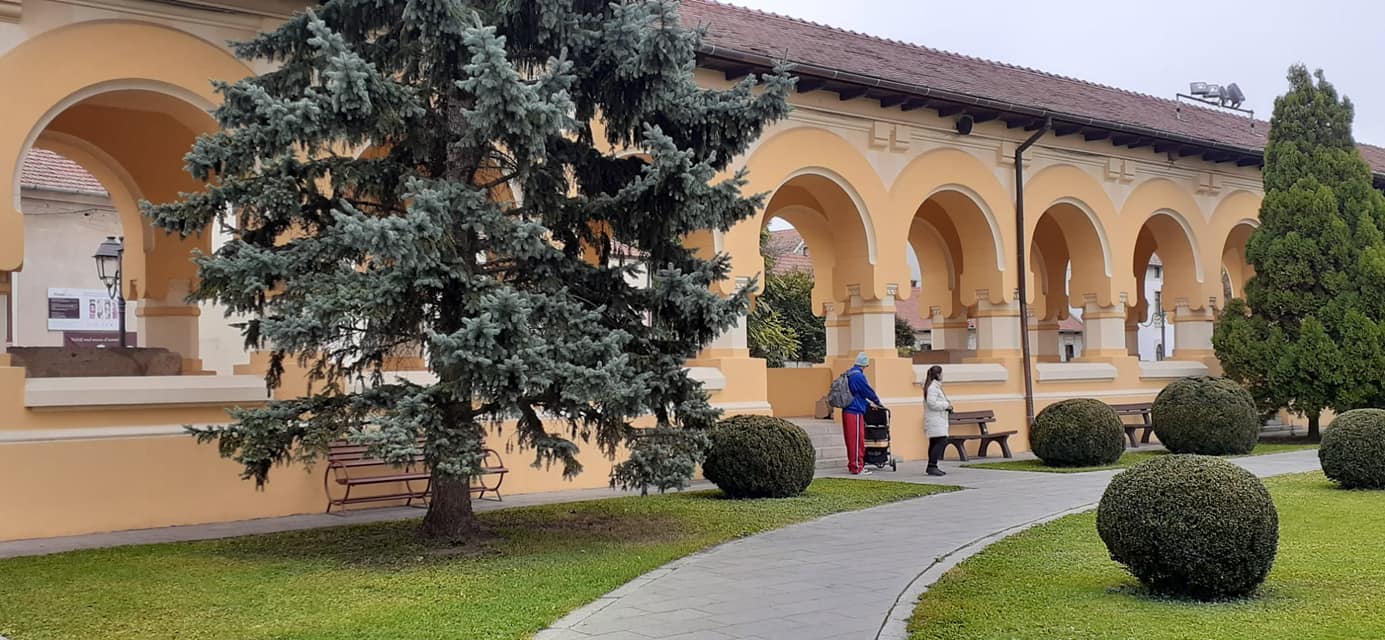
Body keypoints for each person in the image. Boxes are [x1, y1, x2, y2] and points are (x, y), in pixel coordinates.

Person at [842, 352, 884, 476]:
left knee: (851, 440)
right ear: (865, 365)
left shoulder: (849, 373)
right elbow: (867, 391)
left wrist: (867, 404)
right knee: (857, 440)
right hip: (854, 411)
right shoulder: (858, 376)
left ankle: (853, 464)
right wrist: (877, 401)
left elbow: (856, 394)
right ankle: (857, 467)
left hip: (849, 409)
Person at [923, 365, 953, 476]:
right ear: (938, 375)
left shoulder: (934, 387)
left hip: (937, 418)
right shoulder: (932, 388)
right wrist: (946, 405)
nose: (942, 375)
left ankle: (931, 466)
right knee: (941, 441)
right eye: (941, 373)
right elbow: (931, 403)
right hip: (936, 419)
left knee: (935, 441)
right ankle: (932, 465)